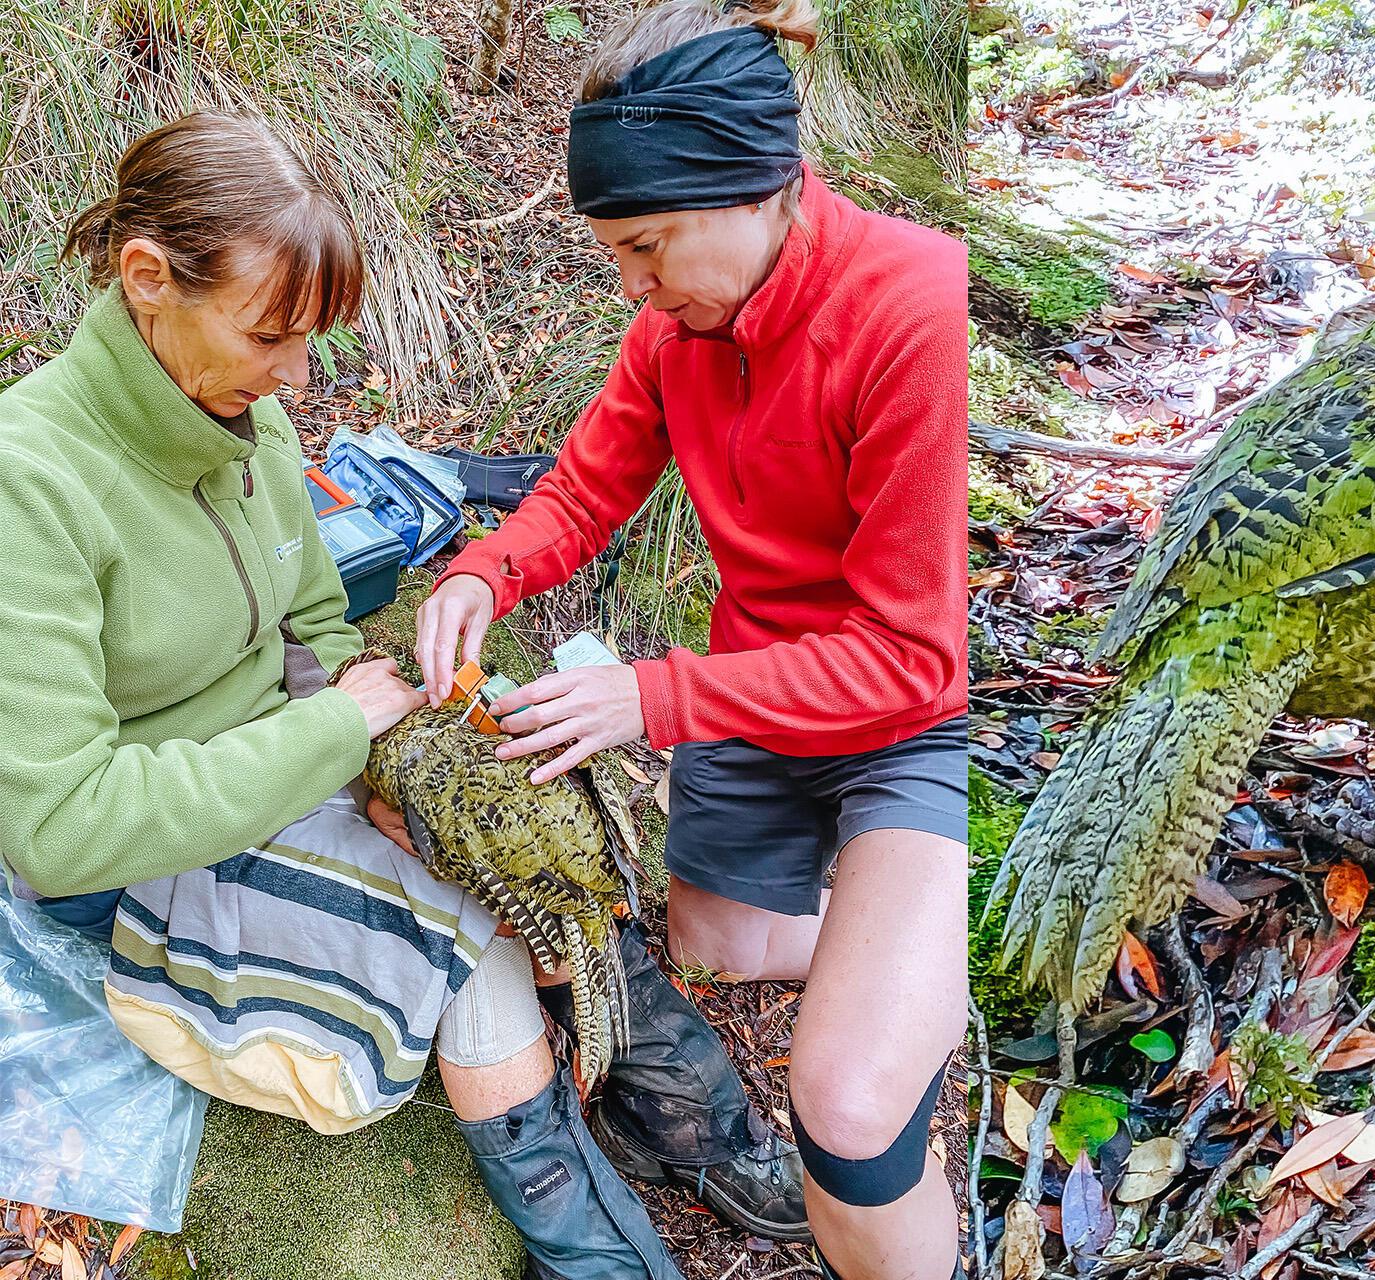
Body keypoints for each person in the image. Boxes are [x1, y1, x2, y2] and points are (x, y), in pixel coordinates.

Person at [0, 112, 683, 1280]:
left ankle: (690, 1122)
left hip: (276, 766)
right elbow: (61, 828)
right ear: (148, 279)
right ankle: (603, 1255)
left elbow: (315, 619)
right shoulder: (32, 481)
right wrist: (335, 732)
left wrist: (398, 769)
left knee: (519, 861)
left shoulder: (244, 412)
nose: (298, 377)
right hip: (128, 865)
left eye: (309, 339)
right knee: (473, 942)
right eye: (272, 335)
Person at [411, 1, 968, 1276]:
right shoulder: (674, 332)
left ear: (753, 189)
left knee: (844, 1101)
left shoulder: (908, 304)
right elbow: (582, 490)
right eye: (618, 253)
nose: (634, 286)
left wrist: (653, 700)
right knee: (710, 942)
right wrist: (483, 574)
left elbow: (911, 657)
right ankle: (902, 942)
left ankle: (912, 969)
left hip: (890, 719)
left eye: (649, 246)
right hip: (746, 697)